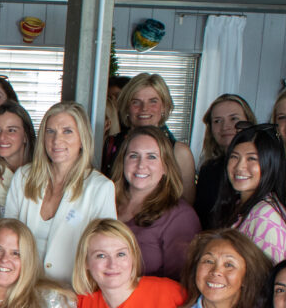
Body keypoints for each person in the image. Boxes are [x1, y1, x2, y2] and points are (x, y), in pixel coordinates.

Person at [3, 101, 117, 285]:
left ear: (82, 139)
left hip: (71, 292)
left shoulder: (100, 188)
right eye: (51, 132)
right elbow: (6, 235)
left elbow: (106, 250)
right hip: (21, 288)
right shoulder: (23, 177)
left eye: (67, 131)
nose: (57, 140)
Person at [113, 125, 201, 280]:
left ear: (166, 167)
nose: (141, 165)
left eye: (151, 157)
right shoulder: (106, 200)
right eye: (133, 156)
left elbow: (181, 284)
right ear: (123, 162)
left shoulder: (180, 216)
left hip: (148, 302)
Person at [107, 72, 197, 201]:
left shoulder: (179, 152)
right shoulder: (110, 144)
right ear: (126, 107)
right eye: (136, 102)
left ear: (164, 107)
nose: (144, 108)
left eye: (153, 101)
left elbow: (187, 205)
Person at [213, 122, 286, 262]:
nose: (240, 166)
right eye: (234, 157)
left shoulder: (265, 217)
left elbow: (266, 279)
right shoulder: (240, 205)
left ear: (270, 163)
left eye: (252, 159)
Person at [195, 93, 255, 225]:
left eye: (234, 119)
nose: (225, 126)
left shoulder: (263, 166)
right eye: (217, 121)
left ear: (248, 122)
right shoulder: (208, 170)